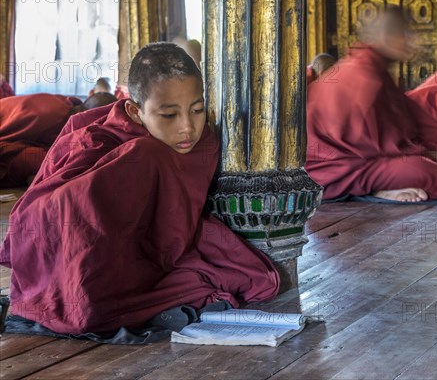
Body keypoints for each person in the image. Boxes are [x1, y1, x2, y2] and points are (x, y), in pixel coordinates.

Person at [0, 43, 280, 336]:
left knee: (255, 277)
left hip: (150, 241)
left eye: (197, 109)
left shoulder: (202, 138)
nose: (188, 127)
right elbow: (53, 209)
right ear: (134, 111)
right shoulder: (100, 137)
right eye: (169, 115)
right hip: (68, 256)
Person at [306, 6, 437, 203]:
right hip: (337, 172)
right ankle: (379, 189)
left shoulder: (377, 72)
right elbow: (385, 149)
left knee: (425, 166)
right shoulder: (362, 76)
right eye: (404, 34)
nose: (410, 42)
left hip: (363, 163)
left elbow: (404, 134)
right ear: (385, 36)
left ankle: (381, 188)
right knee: (425, 172)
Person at [0, 93, 117, 187]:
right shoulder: (45, 114)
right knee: (39, 158)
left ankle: (43, 178)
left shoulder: (68, 113)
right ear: (91, 116)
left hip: (17, 143)